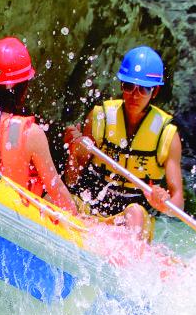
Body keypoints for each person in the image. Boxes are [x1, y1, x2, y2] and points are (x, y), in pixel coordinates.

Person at [62, 45, 184, 240]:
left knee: (135, 213)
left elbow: (178, 204)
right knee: (55, 198)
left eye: (143, 89)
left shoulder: (167, 136)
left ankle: (128, 260)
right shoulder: (99, 117)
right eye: (128, 86)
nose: (134, 95)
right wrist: (74, 152)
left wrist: (163, 202)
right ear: (121, 86)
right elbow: (71, 180)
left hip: (131, 216)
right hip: (91, 205)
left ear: (155, 92)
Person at [0, 37, 78, 214]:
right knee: (51, 198)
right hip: (11, 223)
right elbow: (57, 191)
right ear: (23, 87)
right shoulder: (30, 133)